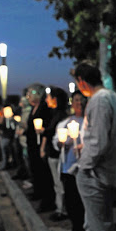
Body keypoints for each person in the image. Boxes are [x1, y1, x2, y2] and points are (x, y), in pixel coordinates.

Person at [63, 64, 116, 231]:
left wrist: (83, 166)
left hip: (95, 173)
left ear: (81, 81)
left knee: (101, 228)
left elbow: (98, 142)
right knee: (95, 226)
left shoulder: (99, 100)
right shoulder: (115, 99)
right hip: (107, 170)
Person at [53, 90, 88, 231]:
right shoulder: (65, 123)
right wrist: (60, 142)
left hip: (83, 169)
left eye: (81, 100)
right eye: (76, 100)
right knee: (72, 207)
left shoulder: (89, 122)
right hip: (68, 169)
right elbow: (56, 143)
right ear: (71, 103)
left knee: (84, 207)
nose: (79, 103)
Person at [24, 83, 55, 212]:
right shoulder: (33, 108)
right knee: (35, 170)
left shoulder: (43, 108)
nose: (28, 96)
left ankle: (47, 201)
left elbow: (45, 129)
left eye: (30, 93)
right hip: (31, 145)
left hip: (40, 146)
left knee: (43, 173)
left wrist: (42, 147)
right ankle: (38, 192)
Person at [43, 86, 69, 221]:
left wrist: (44, 131)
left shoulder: (60, 116)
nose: (46, 100)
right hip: (53, 153)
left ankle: (62, 209)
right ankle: (60, 207)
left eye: (49, 97)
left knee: (59, 182)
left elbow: (54, 133)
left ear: (55, 99)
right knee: (57, 182)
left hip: (56, 153)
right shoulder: (54, 114)